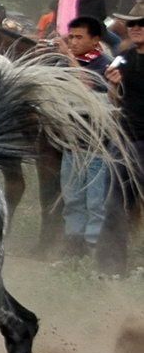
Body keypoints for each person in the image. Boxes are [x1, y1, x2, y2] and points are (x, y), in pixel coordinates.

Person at [96, 2, 144, 276]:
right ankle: (111, 267)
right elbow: (117, 99)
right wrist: (114, 85)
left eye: (142, 23)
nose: (136, 27)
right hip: (125, 139)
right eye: (133, 23)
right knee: (114, 206)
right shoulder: (125, 58)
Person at [59, 16, 112, 257]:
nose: (73, 42)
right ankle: (73, 248)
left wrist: (68, 58)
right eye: (71, 37)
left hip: (98, 146)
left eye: (79, 37)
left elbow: (88, 86)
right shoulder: (66, 65)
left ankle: (92, 251)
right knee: (72, 200)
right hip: (71, 142)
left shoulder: (105, 65)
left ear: (96, 39)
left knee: (95, 202)